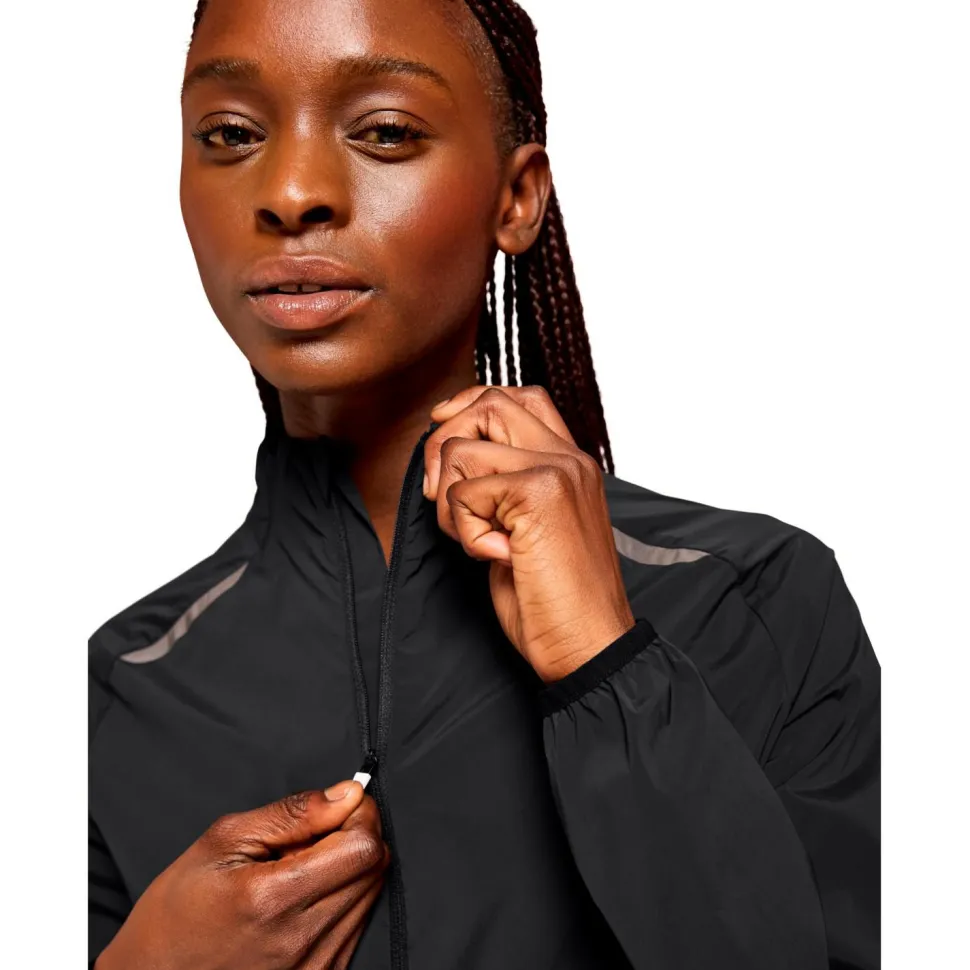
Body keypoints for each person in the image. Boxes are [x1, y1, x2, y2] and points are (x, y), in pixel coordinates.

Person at [88, 0, 881, 967]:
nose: (291, 192)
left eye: (385, 131)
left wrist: (607, 668)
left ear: (517, 198)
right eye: (230, 134)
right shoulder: (118, 688)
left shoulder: (758, 602)